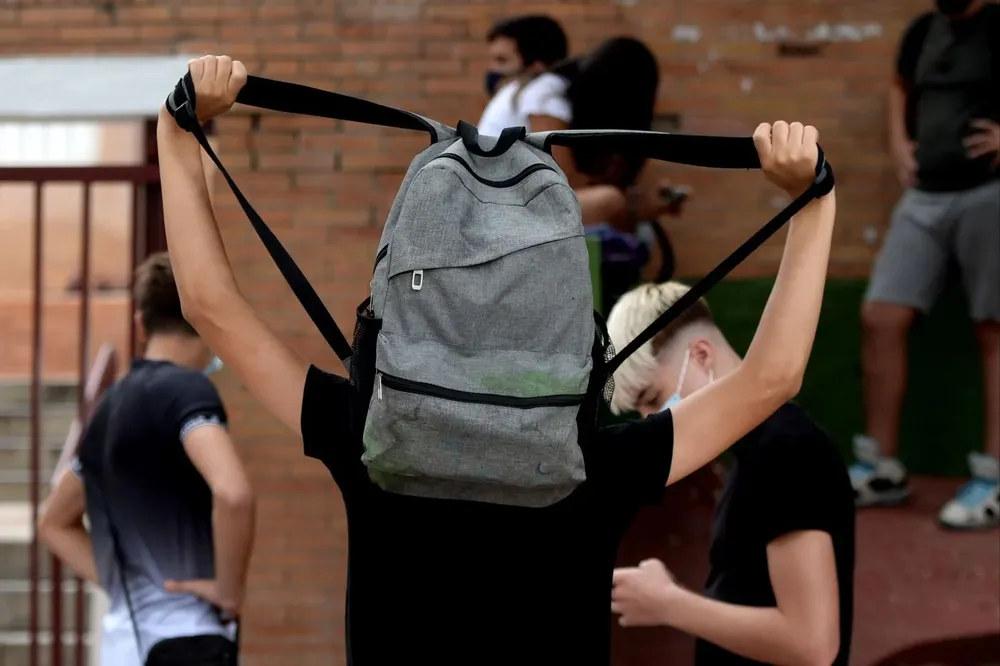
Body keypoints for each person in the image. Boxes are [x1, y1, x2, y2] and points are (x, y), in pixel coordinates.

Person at [158, 54, 836, 666]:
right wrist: (812, 197)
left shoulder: (369, 430)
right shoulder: (595, 461)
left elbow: (210, 305)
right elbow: (772, 377)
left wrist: (178, 126)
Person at [606, 281, 855, 666]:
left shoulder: (785, 451)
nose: (650, 422)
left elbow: (813, 644)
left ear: (701, 355)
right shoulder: (755, 453)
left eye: (653, 399)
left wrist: (669, 604)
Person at [37, 252, 255, 666]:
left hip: (122, 645)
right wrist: (229, 591)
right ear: (203, 318)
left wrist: (128, 586)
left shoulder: (110, 406)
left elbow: (53, 523)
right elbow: (234, 493)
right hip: (188, 641)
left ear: (140, 324)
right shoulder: (188, 390)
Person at [854, 0, 999, 530]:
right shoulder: (922, 31)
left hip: (990, 191)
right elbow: (899, 86)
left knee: (993, 329)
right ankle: (881, 468)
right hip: (925, 196)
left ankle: (995, 478)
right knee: (881, 316)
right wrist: (899, 142)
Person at [477, 15, 570, 137]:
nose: (492, 68)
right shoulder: (516, 92)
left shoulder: (541, 89)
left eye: (502, 60)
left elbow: (555, 154)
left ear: (536, 65)